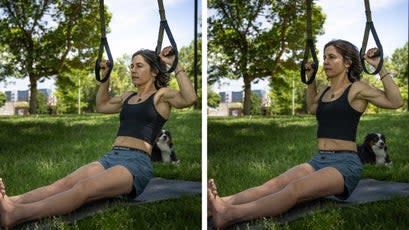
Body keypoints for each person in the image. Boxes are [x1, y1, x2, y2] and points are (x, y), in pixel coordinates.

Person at [207, 39, 403, 229]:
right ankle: (217, 204)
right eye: (324, 57)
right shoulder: (325, 91)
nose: (325, 61)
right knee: (273, 185)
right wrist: (310, 79)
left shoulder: (357, 88)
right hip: (319, 159)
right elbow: (312, 108)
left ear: (347, 62)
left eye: (332, 57)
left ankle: (229, 215)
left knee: (295, 189)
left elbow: (396, 102)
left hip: (345, 164)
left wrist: (379, 66)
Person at [0, 46, 197, 228]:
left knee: (84, 188)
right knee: (62, 184)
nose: (133, 70)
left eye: (139, 66)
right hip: (112, 156)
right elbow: (102, 105)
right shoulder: (128, 96)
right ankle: (11, 202)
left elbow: (189, 98)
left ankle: (17, 214)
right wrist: (106, 76)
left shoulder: (161, 96)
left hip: (136, 163)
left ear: (154, 71)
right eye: (131, 66)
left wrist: (175, 64)